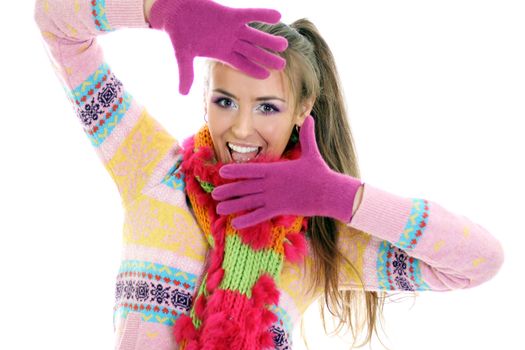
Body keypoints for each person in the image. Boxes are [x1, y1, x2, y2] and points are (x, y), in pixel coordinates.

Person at [34, 0, 504, 349]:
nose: (241, 127)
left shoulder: (319, 240)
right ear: (205, 98)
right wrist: (160, 10)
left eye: (267, 107)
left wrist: (340, 198)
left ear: (302, 111)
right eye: (224, 101)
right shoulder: (154, 170)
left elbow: (479, 262)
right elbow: (54, 22)